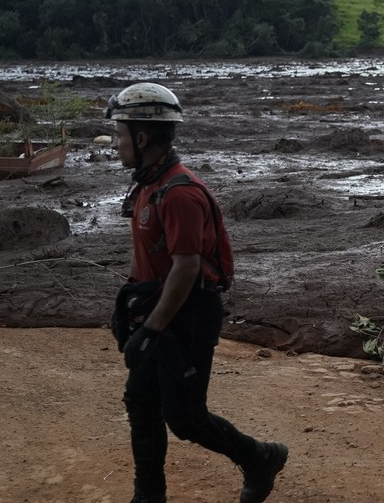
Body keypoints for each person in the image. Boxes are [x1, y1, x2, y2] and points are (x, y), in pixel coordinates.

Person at [108, 82, 288, 503]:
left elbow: (187, 268)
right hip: (161, 309)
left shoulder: (180, 193)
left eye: (119, 136)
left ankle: (261, 457)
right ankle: (147, 496)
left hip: (187, 315)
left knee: (186, 418)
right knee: (141, 402)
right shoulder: (150, 184)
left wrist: (150, 331)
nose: (115, 145)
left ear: (141, 137)